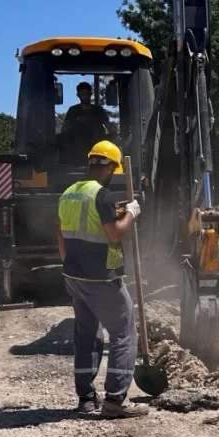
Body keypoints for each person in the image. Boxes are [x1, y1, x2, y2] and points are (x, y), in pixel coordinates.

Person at [56, 141, 149, 419]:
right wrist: (131, 213)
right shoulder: (102, 195)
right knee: (123, 332)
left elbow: (61, 232)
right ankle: (115, 400)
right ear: (109, 166)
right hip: (101, 279)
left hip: (73, 276)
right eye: (113, 169)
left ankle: (86, 398)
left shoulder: (69, 193)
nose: (113, 174)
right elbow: (114, 234)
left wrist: (68, 263)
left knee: (86, 334)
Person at [60, 82, 116, 155]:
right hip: (77, 150)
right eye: (83, 94)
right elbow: (65, 129)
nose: (86, 96)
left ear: (91, 94)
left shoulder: (98, 110)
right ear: (78, 95)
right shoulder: (73, 111)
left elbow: (109, 127)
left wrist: (113, 131)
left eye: (88, 94)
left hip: (97, 149)